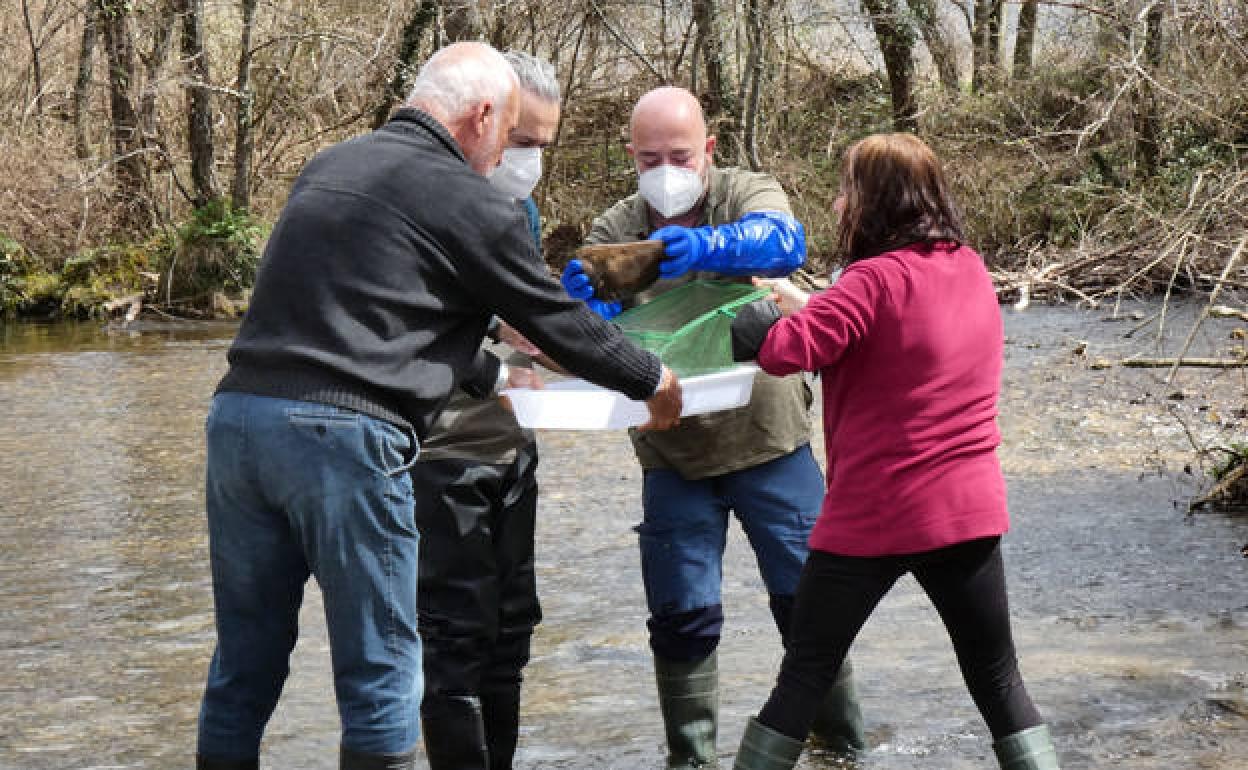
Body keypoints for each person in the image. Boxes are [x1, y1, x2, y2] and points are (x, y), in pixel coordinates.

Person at [194, 42, 682, 770]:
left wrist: (492, 357)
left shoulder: (331, 164)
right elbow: (556, 320)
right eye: (510, 135)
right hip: (345, 437)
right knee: (383, 673)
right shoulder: (467, 197)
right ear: (482, 115)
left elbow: (378, 311)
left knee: (245, 667)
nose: (505, 161)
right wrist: (653, 381)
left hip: (238, 423)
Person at [727, 133, 1059, 770]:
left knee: (801, 682)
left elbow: (779, 352)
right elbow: (890, 334)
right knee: (1000, 684)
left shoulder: (867, 282)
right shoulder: (970, 269)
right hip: (967, 515)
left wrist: (752, 311)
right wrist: (818, 304)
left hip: (873, 518)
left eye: (847, 188)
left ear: (876, 200)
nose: (837, 203)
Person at [560, 86, 866, 769]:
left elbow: (784, 243)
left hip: (770, 442)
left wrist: (702, 244)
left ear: (709, 150)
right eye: (648, 156)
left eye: (678, 153)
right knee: (681, 619)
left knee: (808, 609)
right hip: (673, 456)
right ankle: (690, 758)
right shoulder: (617, 225)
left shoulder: (743, 191)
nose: (663, 168)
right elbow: (587, 329)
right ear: (630, 157)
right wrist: (581, 310)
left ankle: (843, 749)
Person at [413, 50, 561, 770]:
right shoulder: (420, 198)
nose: (527, 158)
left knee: (511, 635)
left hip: (510, 447)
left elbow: (529, 326)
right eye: (521, 140)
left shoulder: (521, 211)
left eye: (541, 147)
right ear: (486, 118)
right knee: (452, 639)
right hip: (436, 455)